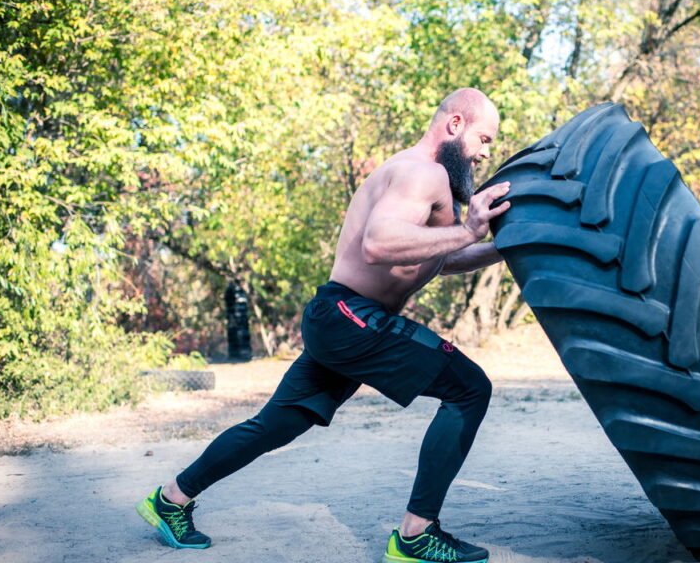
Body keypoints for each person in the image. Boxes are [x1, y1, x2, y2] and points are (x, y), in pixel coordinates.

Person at [136, 88, 511, 563]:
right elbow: (379, 244)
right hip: (351, 317)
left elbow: (439, 255)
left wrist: (503, 247)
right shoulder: (424, 172)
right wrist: (469, 229)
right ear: (455, 125)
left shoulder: (422, 178)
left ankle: (169, 500)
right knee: (469, 388)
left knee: (276, 424)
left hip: (340, 319)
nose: (484, 153)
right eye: (483, 138)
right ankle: (416, 536)